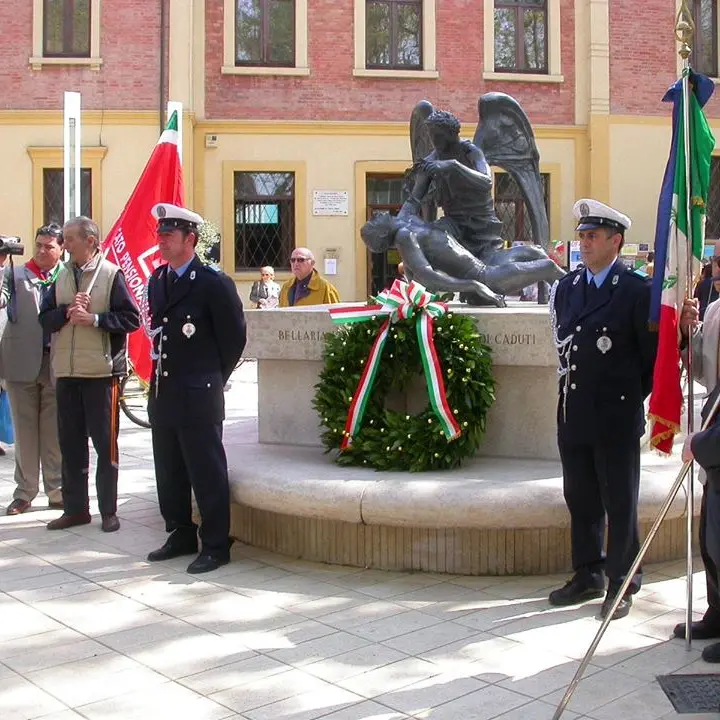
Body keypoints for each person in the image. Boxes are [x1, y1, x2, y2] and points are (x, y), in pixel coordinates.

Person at [547, 199, 658, 620]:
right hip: (573, 412)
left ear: (616, 241)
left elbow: (649, 359)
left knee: (620, 500)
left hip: (614, 416)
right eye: (582, 236)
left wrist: (627, 401)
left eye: (593, 236)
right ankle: (588, 572)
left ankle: (623, 579)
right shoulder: (569, 288)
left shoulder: (634, 291)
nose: (585, 243)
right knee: (580, 497)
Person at [145, 203, 246, 574]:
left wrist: (210, 377)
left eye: (168, 235)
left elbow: (234, 339)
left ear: (190, 239)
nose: (161, 242)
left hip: (198, 392)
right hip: (165, 392)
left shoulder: (212, 283)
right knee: (169, 469)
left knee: (206, 471)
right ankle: (180, 532)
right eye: (160, 235)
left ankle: (217, 543)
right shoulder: (159, 279)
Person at [39, 216, 140, 532]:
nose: (65, 244)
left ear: (91, 241)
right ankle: (75, 510)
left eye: (70, 239)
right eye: (65, 239)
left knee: (105, 446)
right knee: (70, 445)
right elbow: (45, 319)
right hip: (67, 374)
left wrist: (94, 319)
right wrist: (67, 312)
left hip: (101, 374)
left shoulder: (111, 275)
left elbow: (131, 319)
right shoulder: (61, 275)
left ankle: (108, 511)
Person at [674, 239, 720, 655]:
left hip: (715, 442)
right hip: (714, 444)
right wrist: (687, 337)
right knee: (711, 537)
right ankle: (716, 612)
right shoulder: (715, 310)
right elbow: (704, 373)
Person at [1, 224, 64, 515]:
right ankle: (24, 492)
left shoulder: (68, 277)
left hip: (56, 365)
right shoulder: (13, 275)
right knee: (25, 434)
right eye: (38, 244)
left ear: (61, 249)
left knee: (53, 434)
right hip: (20, 364)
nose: (41, 250)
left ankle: (57, 490)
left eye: (49, 246)